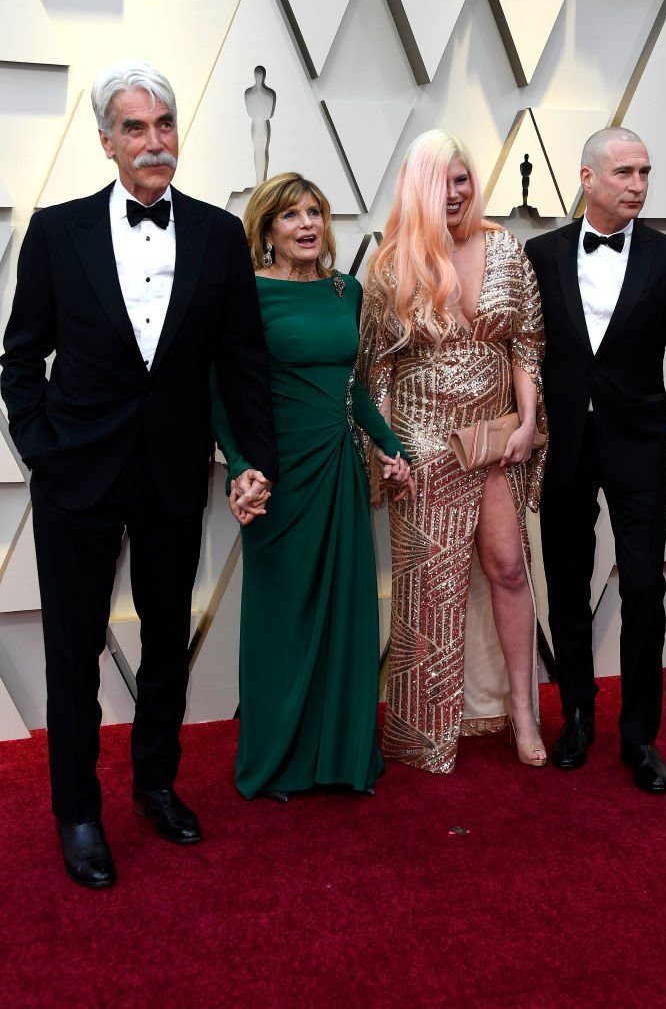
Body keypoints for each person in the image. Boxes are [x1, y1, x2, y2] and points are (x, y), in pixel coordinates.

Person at [0, 60, 277, 888]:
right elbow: (20, 358)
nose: (154, 141)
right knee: (73, 650)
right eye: (135, 128)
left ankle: (156, 782)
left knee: (166, 642)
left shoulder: (220, 235)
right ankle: (77, 812)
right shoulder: (56, 232)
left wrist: (252, 456)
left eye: (164, 125)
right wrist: (43, 449)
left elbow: (242, 361)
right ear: (105, 141)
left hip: (170, 471)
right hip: (75, 477)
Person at [211, 172, 413, 802]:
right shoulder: (245, 294)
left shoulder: (344, 291)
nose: (306, 225)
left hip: (338, 470)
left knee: (346, 614)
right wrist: (241, 466)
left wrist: (390, 444)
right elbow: (222, 393)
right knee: (282, 617)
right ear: (267, 228)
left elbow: (352, 388)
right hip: (278, 476)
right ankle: (277, 760)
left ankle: (342, 755)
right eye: (292, 215)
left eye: (316, 214)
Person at [524, 127, 666, 794]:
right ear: (587, 178)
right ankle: (576, 715)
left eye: (645, 173)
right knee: (567, 589)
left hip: (639, 449)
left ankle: (640, 738)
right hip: (564, 446)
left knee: (642, 589)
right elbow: (524, 356)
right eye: (625, 172)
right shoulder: (538, 254)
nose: (637, 185)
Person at [359, 129, 548, 774]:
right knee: (427, 587)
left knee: (509, 566)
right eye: (443, 180)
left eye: (463, 178)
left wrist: (525, 421)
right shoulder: (390, 267)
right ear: (419, 187)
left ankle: (522, 714)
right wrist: (389, 453)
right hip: (422, 446)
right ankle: (423, 728)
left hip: (492, 440)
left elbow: (526, 345)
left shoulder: (504, 250)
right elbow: (377, 374)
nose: (457, 191)